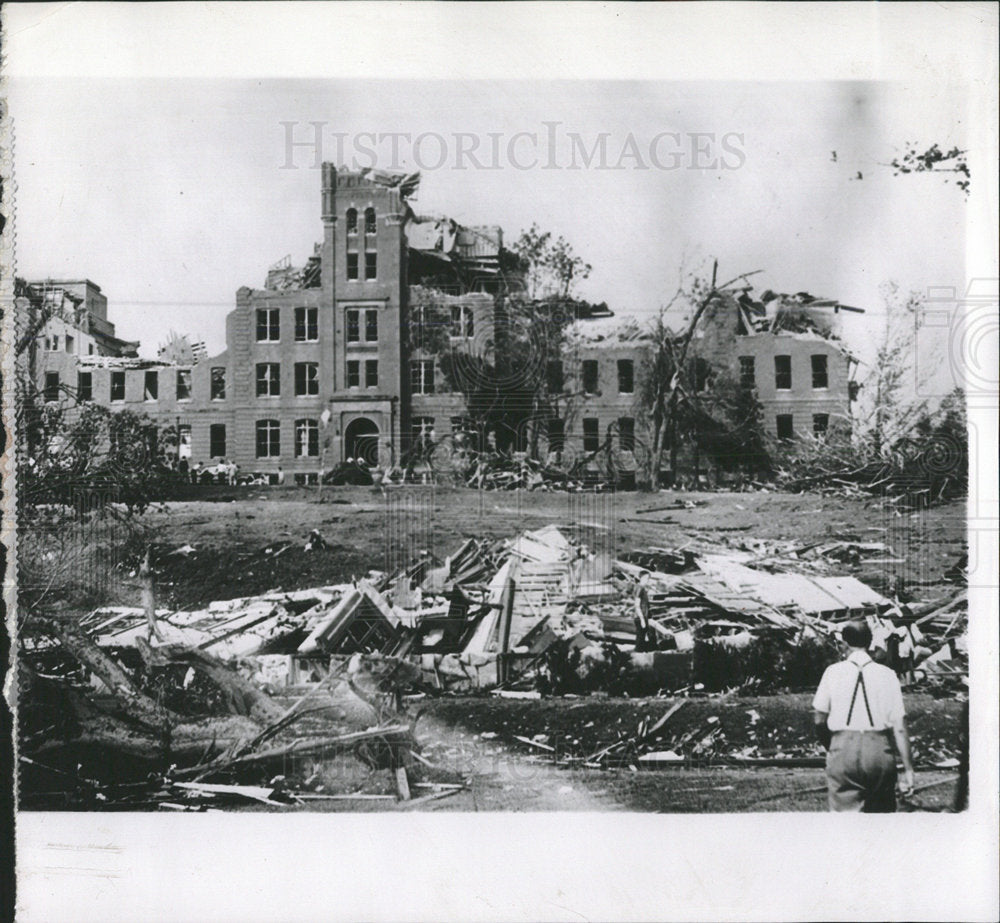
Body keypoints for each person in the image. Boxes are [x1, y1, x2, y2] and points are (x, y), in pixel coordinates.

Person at [813, 619, 915, 812]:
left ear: (844, 644)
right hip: (878, 751)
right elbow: (899, 727)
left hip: (842, 749)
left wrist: (832, 747)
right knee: (880, 821)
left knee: (845, 824)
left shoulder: (832, 672)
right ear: (869, 643)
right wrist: (908, 769)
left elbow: (819, 720)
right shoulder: (887, 674)